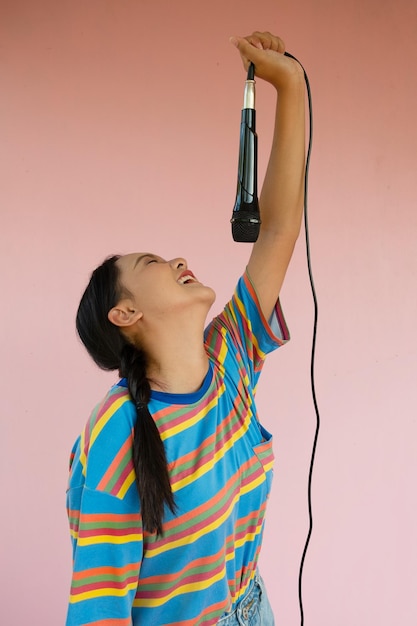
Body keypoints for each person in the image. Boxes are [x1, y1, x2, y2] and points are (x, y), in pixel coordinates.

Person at [66, 30, 306, 626]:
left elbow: (277, 229)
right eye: (151, 264)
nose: (175, 260)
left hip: (253, 609)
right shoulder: (119, 430)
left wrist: (290, 86)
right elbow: (98, 610)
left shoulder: (231, 356)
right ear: (125, 315)